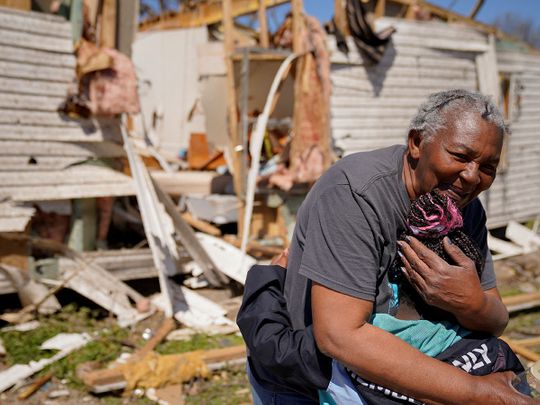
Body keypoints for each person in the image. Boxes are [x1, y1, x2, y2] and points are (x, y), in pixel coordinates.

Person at [238, 89, 535, 404]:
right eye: (460, 156)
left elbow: (496, 319)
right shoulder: (355, 194)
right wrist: (476, 393)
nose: (472, 177)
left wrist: (469, 302)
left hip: (406, 376)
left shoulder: (465, 208)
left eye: (488, 166)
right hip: (312, 384)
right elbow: (340, 337)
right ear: (417, 143)